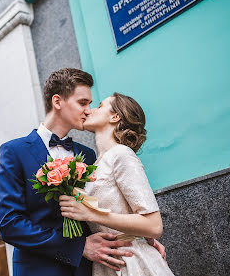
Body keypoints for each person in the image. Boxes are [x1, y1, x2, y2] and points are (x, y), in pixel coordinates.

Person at [0, 69, 165, 276]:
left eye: (91, 104)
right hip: (41, 269)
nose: (88, 110)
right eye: (83, 103)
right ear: (58, 102)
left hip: (92, 269)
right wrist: (78, 248)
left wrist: (143, 238)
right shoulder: (14, 151)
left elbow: (105, 205)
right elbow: (10, 224)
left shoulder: (89, 155)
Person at [59, 93, 174, 276]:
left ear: (115, 117)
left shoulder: (121, 154)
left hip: (134, 261)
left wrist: (90, 213)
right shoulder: (94, 166)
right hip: (106, 264)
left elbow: (154, 226)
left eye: (100, 105)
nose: (90, 110)